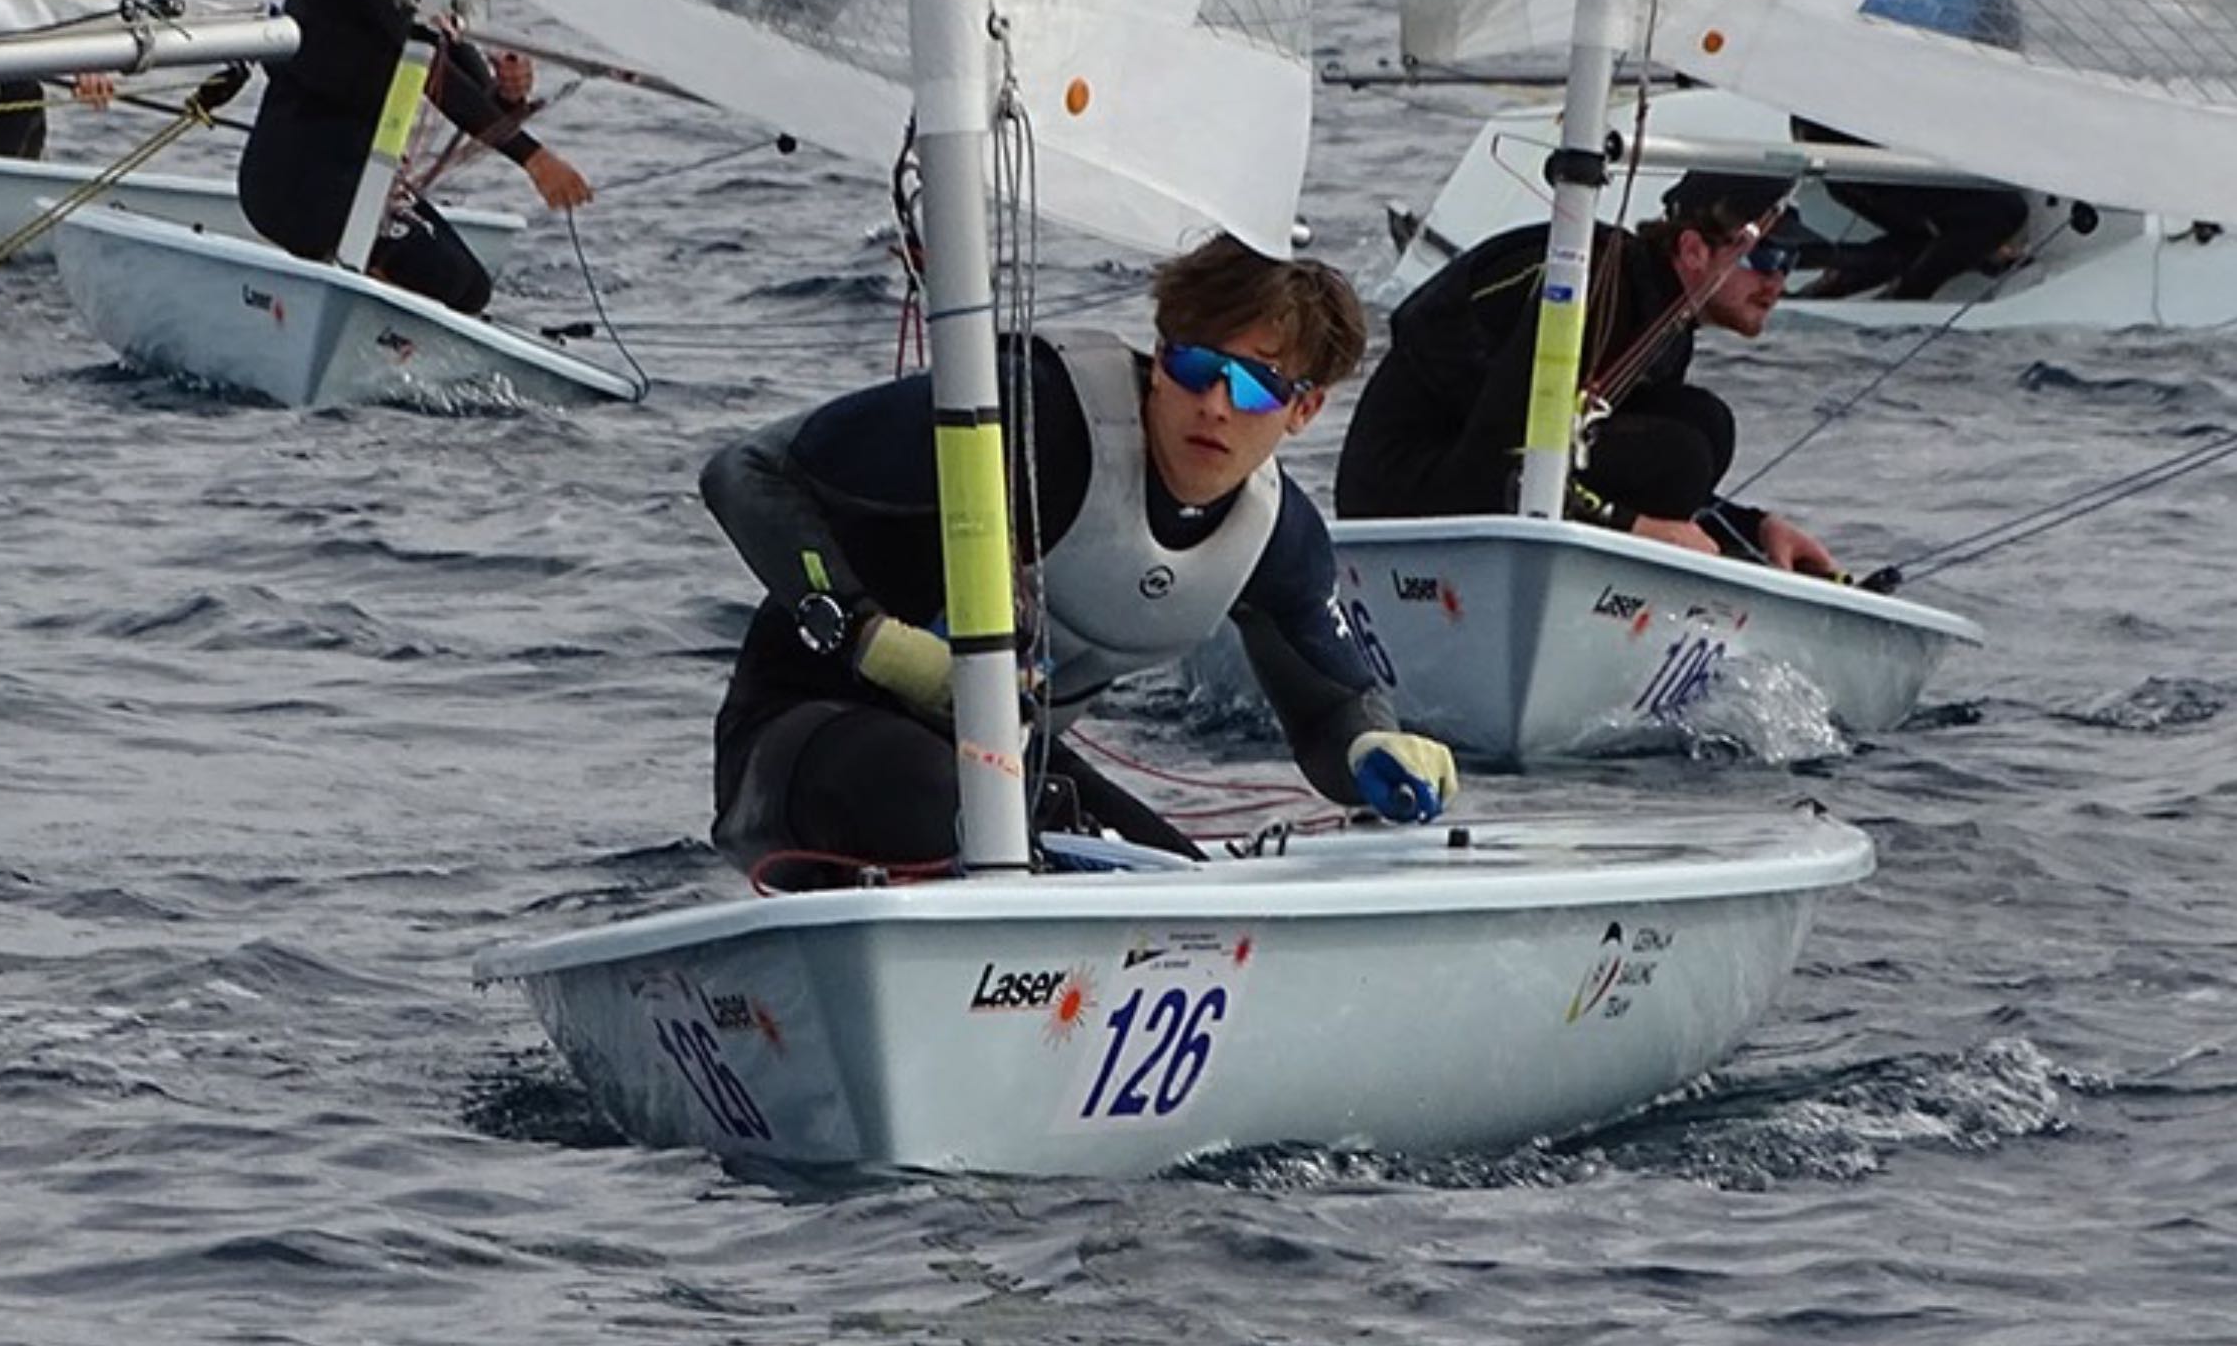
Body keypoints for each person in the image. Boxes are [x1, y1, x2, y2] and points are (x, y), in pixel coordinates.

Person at [699, 233, 1461, 880]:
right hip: (800, 743)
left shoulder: (1275, 534)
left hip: (1004, 769)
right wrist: (870, 637)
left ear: (1304, 408)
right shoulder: (1034, 413)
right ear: (1158, 358)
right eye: (1195, 367)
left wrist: (1373, 750)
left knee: (1181, 888)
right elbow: (745, 471)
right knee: (957, 817)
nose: (1214, 405)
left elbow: (1331, 709)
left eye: (1255, 385)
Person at [1335, 170, 1840, 574]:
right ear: (1692, 250)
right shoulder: (1590, 288)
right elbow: (1500, 461)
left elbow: (1592, 462)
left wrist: (1753, 529)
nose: (1778, 280)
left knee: (1705, 423)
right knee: (1682, 453)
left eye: (1791, 261)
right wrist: (1635, 527)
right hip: (1399, 502)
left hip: (1489, 485)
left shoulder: (1665, 322)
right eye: (1766, 257)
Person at [236, 0, 592, 314]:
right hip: (294, 181)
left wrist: (509, 95)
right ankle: (348, 326)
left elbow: (472, 90)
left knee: (469, 288)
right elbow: (431, 73)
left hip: (361, 177)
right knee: (450, 284)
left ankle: (372, 329)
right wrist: (534, 159)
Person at [1788, 119, 2029, 303]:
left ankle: (1829, 289)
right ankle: (1903, 299)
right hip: (1856, 143)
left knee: (1939, 238)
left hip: (1835, 141)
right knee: (1999, 212)